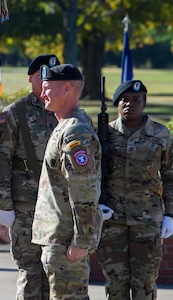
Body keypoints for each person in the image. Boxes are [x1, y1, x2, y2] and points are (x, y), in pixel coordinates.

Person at [96, 79, 173, 299]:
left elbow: (170, 176)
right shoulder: (104, 134)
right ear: (117, 104)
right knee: (115, 284)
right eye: (124, 100)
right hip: (112, 220)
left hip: (147, 221)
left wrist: (170, 214)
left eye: (136, 99)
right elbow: (92, 176)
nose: (129, 104)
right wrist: (97, 203)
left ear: (145, 102)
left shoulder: (160, 135)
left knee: (145, 283)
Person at [31, 64, 103, 298]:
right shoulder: (66, 127)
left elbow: (83, 189)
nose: (42, 94)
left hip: (65, 240)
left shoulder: (74, 133)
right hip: (58, 237)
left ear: (67, 88)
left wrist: (82, 239)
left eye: (47, 88)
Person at [0, 54, 60, 300]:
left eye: (51, 78)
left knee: (56, 273)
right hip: (25, 205)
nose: (45, 83)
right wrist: (5, 206)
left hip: (58, 206)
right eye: (41, 76)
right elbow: (2, 161)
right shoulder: (15, 113)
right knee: (30, 271)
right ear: (30, 78)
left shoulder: (66, 112)